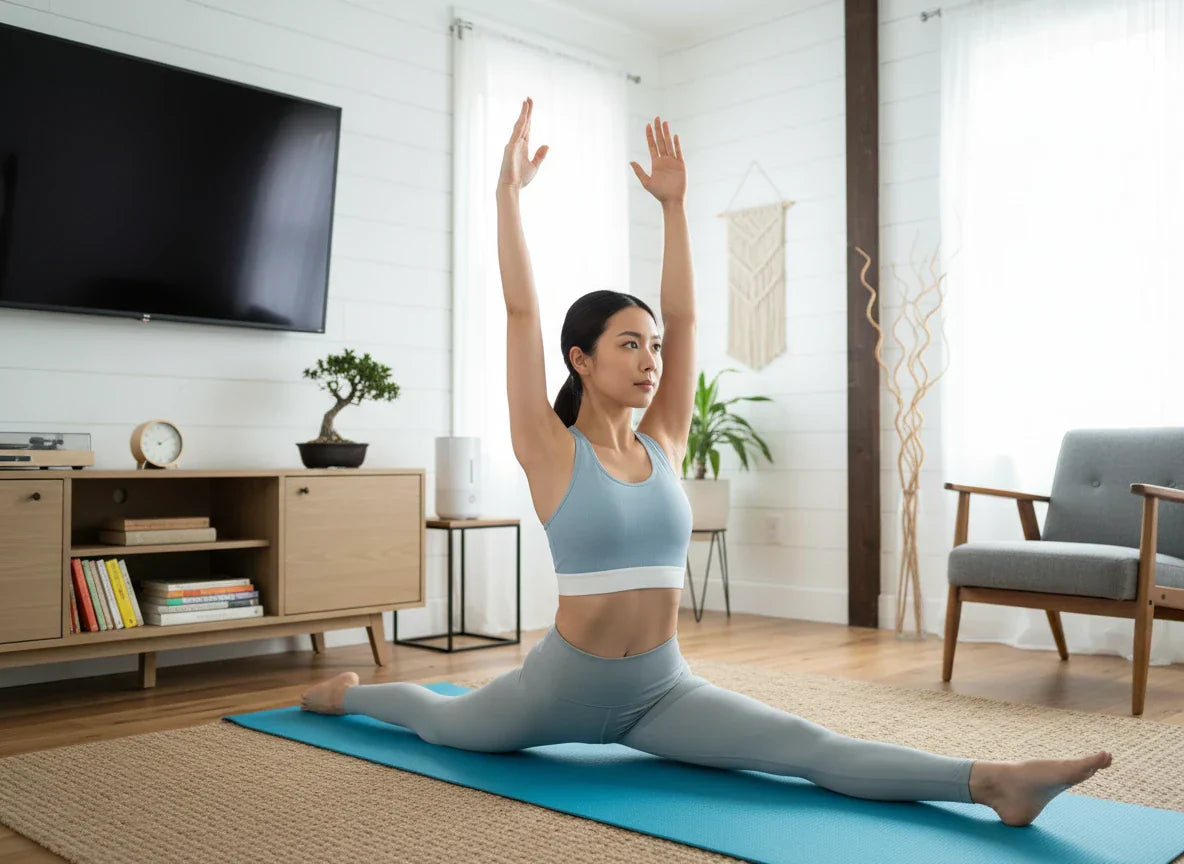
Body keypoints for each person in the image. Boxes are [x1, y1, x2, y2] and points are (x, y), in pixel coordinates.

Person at [300, 97, 1111, 827]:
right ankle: (350, 694)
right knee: (442, 719)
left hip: (661, 690)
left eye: (652, 348)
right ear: (579, 360)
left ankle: (992, 781)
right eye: (628, 345)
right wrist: (507, 196)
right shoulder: (549, 448)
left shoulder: (665, 441)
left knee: (810, 748)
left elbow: (684, 318)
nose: (650, 360)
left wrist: (676, 207)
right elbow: (521, 308)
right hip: (557, 690)